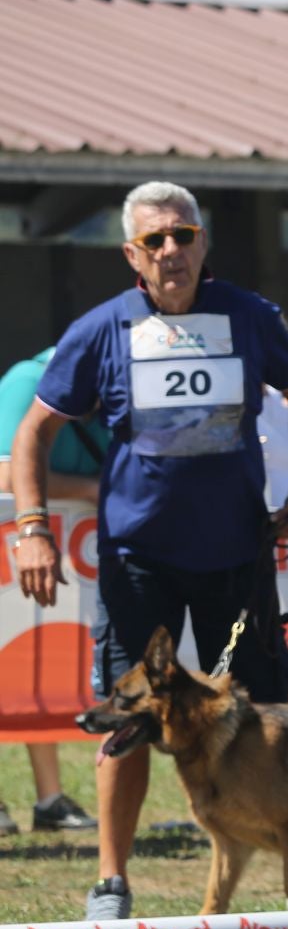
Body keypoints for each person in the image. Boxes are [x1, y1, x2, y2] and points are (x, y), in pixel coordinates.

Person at [10, 181, 288, 919]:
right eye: (155, 241)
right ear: (133, 255)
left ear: (202, 243)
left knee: (270, 719)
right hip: (135, 563)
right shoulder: (100, 330)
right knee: (125, 717)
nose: (172, 251)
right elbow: (32, 433)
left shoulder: (250, 318)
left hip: (236, 558)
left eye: (184, 235)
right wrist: (32, 529)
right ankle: (112, 882)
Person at [0, 349, 103, 835]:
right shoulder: (28, 379)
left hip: (58, 558)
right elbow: (3, 474)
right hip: (16, 547)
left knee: (39, 674)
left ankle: (49, 800)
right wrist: (88, 491)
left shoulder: (112, 391)